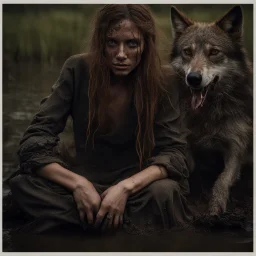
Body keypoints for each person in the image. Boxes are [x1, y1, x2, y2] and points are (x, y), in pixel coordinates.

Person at [9, 4, 191, 234]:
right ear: (101, 44)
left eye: (132, 43)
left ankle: (87, 222)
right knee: (22, 185)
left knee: (165, 192)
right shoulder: (77, 69)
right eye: (112, 43)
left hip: (138, 188)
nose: (121, 54)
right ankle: (112, 222)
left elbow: (175, 154)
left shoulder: (164, 79)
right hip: (82, 181)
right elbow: (34, 140)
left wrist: (125, 188)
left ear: (145, 45)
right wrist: (78, 184)